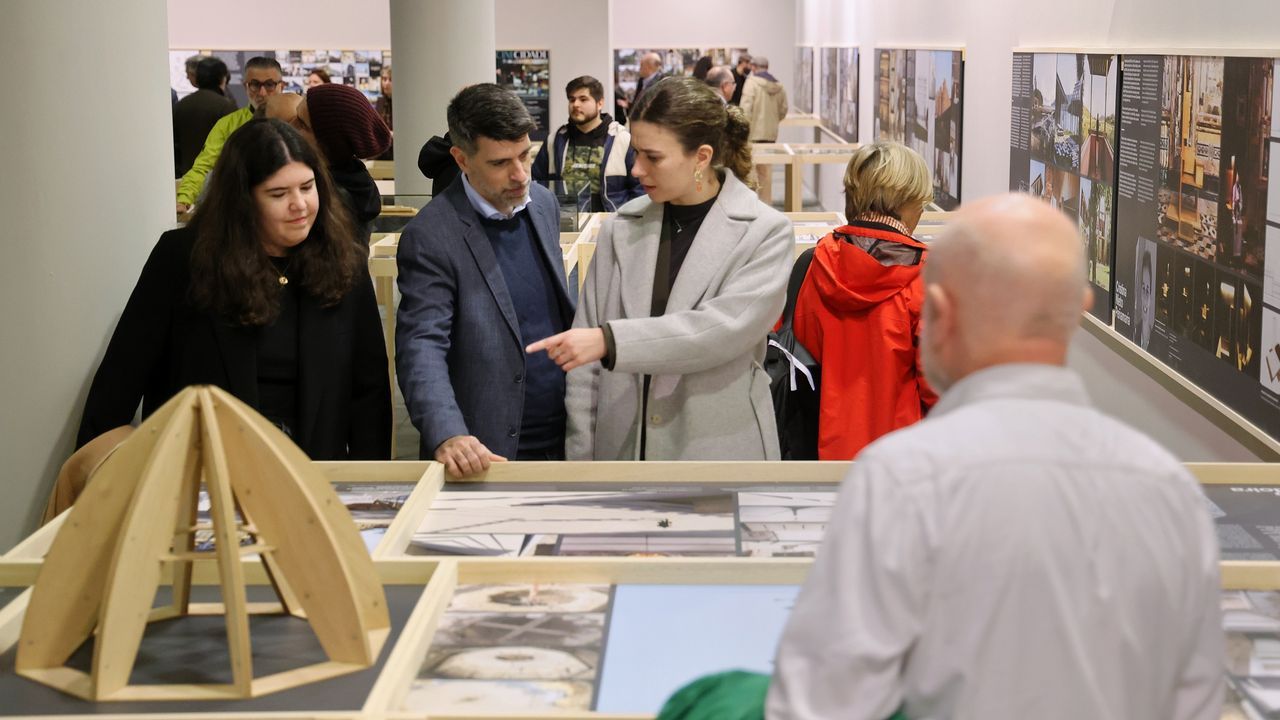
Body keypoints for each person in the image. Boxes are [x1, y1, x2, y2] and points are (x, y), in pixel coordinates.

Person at [767, 194, 1222, 719]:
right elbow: (1194, 698)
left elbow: (819, 704)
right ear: (1079, 310)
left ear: (938, 311)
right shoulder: (1168, 488)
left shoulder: (902, 480)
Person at [79, 119, 391, 460]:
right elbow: (123, 376)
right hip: (204, 478)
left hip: (315, 480)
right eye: (278, 193)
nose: (299, 205)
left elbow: (369, 393)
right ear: (242, 200)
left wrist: (373, 486)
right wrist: (97, 482)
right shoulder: (184, 258)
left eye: (307, 187)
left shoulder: (343, 259)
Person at [529, 76, 793, 461]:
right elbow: (584, 374)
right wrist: (582, 462)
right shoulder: (619, 230)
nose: (636, 170)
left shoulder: (765, 233)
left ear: (701, 157)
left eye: (652, 157)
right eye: (636, 153)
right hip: (622, 452)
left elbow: (718, 332)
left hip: (718, 454)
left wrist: (611, 342)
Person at [396, 84, 574, 475]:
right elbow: (421, 346)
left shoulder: (542, 205)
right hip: (487, 449)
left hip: (564, 436)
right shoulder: (431, 236)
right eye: (499, 163)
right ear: (461, 159)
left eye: (525, 155)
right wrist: (448, 434)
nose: (520, 174)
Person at [793, 142, 937, 460]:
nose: (923, 210)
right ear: (908, 200)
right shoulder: (926, 275)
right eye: (922, 201)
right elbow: (937, 381)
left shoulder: (816, 261)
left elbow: (803, 345)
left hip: (821, 447)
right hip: (901, 454)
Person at [176, 56, 284, 214]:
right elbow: (205, 166)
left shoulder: (294, 119)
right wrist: (184, 198)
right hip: (241, 210)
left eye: (269, 85)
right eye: (255, 85)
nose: (262, 93)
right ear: (246, 86)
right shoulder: (227, 124)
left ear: (281, 86)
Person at [295, 83, 392, 245]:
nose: (290, 126)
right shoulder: (353, 183)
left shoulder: (330, 200)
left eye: (302, 123)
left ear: (327, 144)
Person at [532, 75, 644, 212]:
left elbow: (639, 188)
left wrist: (627, 220)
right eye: (572, 99)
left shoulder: (622, 139)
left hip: (610, 221)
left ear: (600, 103)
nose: (576, 104)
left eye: (583, 99)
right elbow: (536, 184)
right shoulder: (554, 140)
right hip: (566, 224)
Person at [173, 56, 235, 177]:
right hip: (218, 178)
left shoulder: (181, 105)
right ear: (222, 78)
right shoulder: (226, 106)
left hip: (187, 177)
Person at [740, 56, 788, 203]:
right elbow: (783, 110)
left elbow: (745, 110)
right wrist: (772, 123)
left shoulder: (751, 84)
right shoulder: (779, 86)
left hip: (753, 135)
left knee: (751, 172)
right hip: (770, 135)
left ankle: (752, 206)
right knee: (766, 173)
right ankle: (766, 204)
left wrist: (743, 128)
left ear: (754, 67)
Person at [618, 52, 665, 122]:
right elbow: (639, 102)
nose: (639, 68)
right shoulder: (641, 81)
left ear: (649, 67)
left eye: (641, 65)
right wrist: (629, 105)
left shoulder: (662, 82)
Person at [375, 66, 394, 161]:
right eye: (384, 79)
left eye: (390, 79)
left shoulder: (402, 103)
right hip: (381, 152)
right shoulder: (380, 102)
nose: (386, 83)